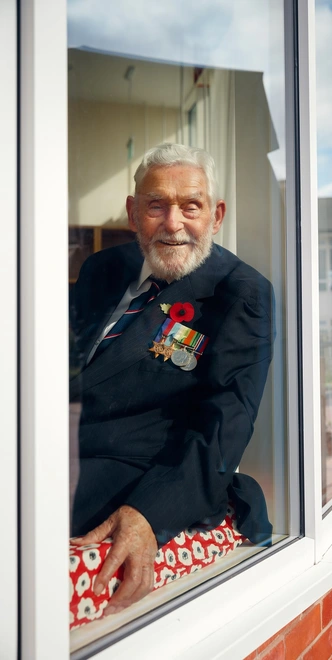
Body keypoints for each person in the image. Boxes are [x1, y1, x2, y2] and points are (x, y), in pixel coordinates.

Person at [69, 143, 274, 617]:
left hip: (130, 468)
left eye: (191, 206)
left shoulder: (241, 294)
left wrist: (150, 513)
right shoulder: (102, 268)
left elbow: (226, 425)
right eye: (156, 205)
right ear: (133, 212)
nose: (173, 223)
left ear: (216, 215)